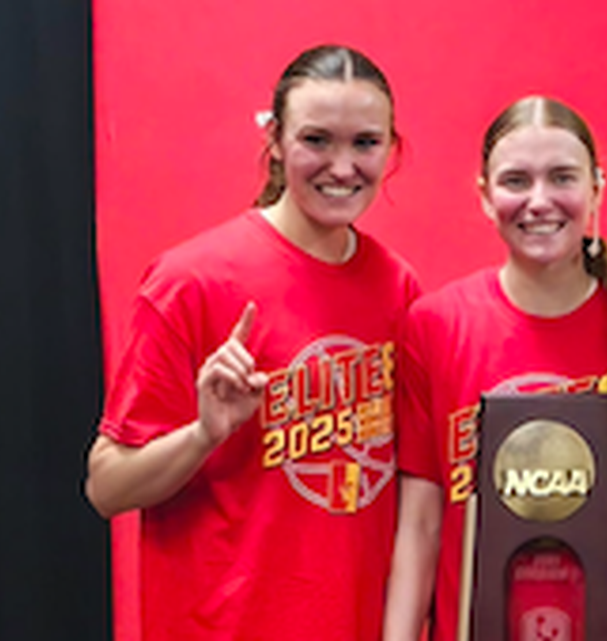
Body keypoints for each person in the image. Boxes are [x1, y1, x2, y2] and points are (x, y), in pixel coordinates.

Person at [84, 44, 420, 640]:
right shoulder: (191, 281)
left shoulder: (398, 287)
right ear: (276, 143)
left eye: (365, 143)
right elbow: (106, 488)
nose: (343, 167)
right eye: (316, 140)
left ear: (391, 149)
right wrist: (204, 433)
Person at [383, 96, 607, 641]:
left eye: (562, 178)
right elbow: (420, 524)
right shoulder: (434, 327)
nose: (539, 202)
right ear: (485, 196)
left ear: (596, 189)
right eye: (516, 181)